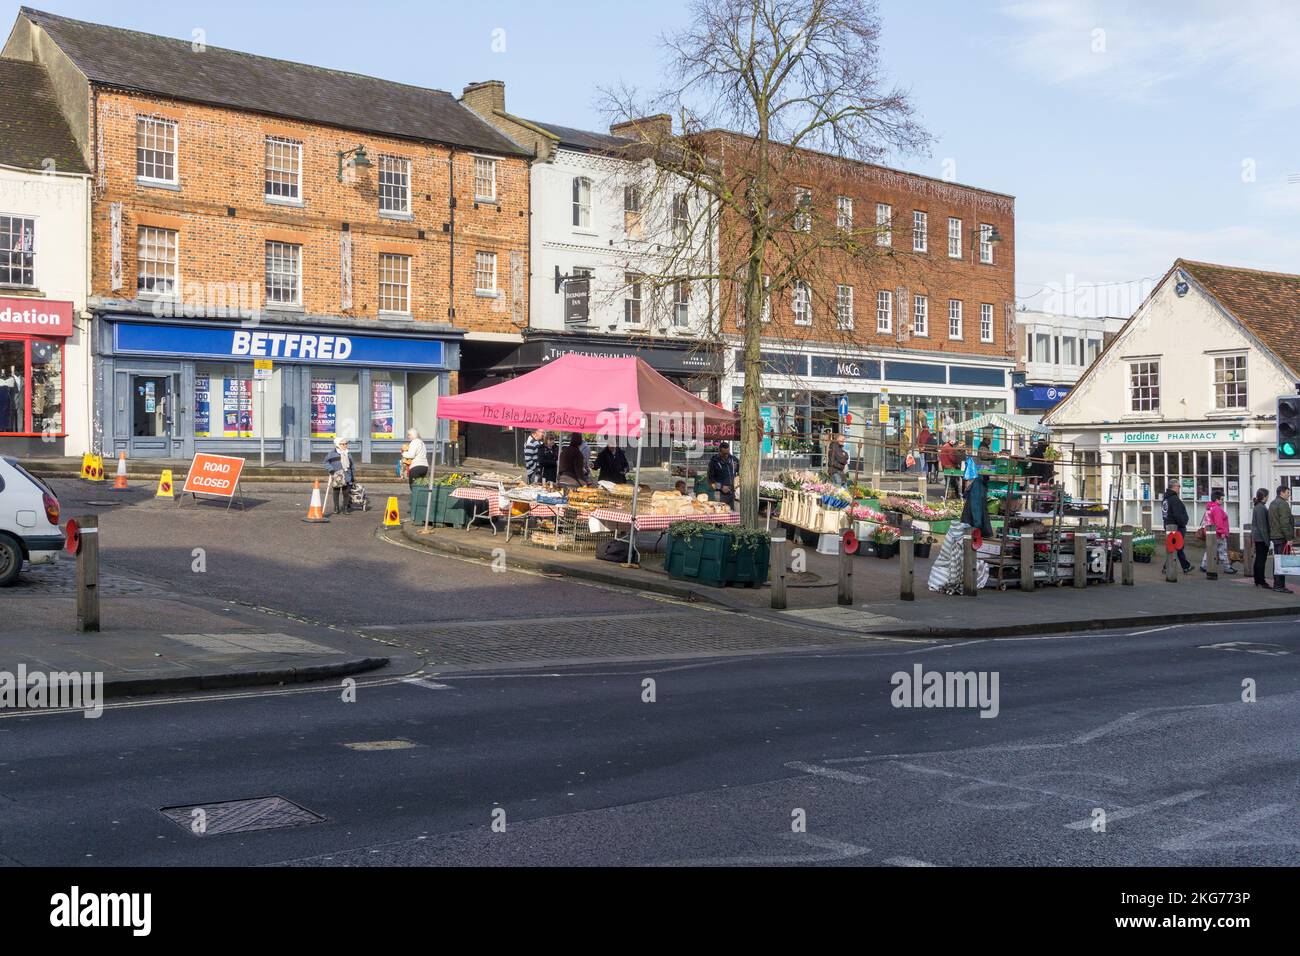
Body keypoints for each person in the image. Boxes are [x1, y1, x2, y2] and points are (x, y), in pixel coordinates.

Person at [1199, 489, 1236, 574]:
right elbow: (1219, 522)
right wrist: (1222, 532)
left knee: (1209, 550)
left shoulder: (1209, 508)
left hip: (1209, 532)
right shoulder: (1217, 509)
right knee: (1222, 551)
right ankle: (1227, 567)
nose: (1222, 501)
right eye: (1221, 499)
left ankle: (1203, 566)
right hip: (1218, 534)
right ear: (1217, 499)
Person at [1268, 485, 1296, 592]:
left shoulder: (1272, 503)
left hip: (1275, 536)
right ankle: (1279, 586)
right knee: (1282, 561)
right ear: (1281, 493)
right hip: (1282, 537)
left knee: (1278, 560)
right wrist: (1289, 538)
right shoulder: (1283, 504)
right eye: (1288, 492)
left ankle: (1277, 584)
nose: (1289, 494)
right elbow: (1285, 523)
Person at [1161, 485, 1193, 574]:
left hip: (1169, 526)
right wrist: (1183, 523)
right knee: (1177, 547)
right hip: (1176, 527)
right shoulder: (1174, 499)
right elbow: (1177, 514)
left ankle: (1184, 566)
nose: (1179, 488)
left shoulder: (1166, 499)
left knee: (1175, 547)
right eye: (1179, 486)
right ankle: (1183, 567)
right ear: (1174, 486)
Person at [324, 437, 356, 515]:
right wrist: (331, 469)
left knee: (346, 493)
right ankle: (336, 507)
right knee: (336, 492)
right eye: (342, 444)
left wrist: (352, 476)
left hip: (347, 475)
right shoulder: (332, 453)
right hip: (337, 475)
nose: (345, 445)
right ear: (338, 444)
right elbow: (326, 462)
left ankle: (345, 508)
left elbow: (352, 465)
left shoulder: (348, 453)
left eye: (346, 444)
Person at [960, 470, 994, 539]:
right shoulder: (978, 484)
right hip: (973, 526)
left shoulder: (978, 484)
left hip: (974, 526)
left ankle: (977, 530)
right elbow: (976, 508)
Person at [1250, 488, 1272, 587]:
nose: (1268, 497)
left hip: (1258, 537)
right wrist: (1267, 540)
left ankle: (1257, 579)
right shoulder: (1261, 508)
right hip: (1261, 538)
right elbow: (1262, 526)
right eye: (1267, 496)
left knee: (1259, 559)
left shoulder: (1258, 506)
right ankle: (1261, 580)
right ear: (1264, 497)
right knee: (1261, 560)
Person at [708, 442, 739, 509]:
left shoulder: (734, 460)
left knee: (730, 512)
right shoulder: (714, 461)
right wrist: (721, 487)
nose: (726, 456)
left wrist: (737, 482)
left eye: (727, 453)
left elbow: (740, 473)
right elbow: (710, 480)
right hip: (719, 494)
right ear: (719, 451)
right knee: (720, 512)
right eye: (724, 454)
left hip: (732, 492)